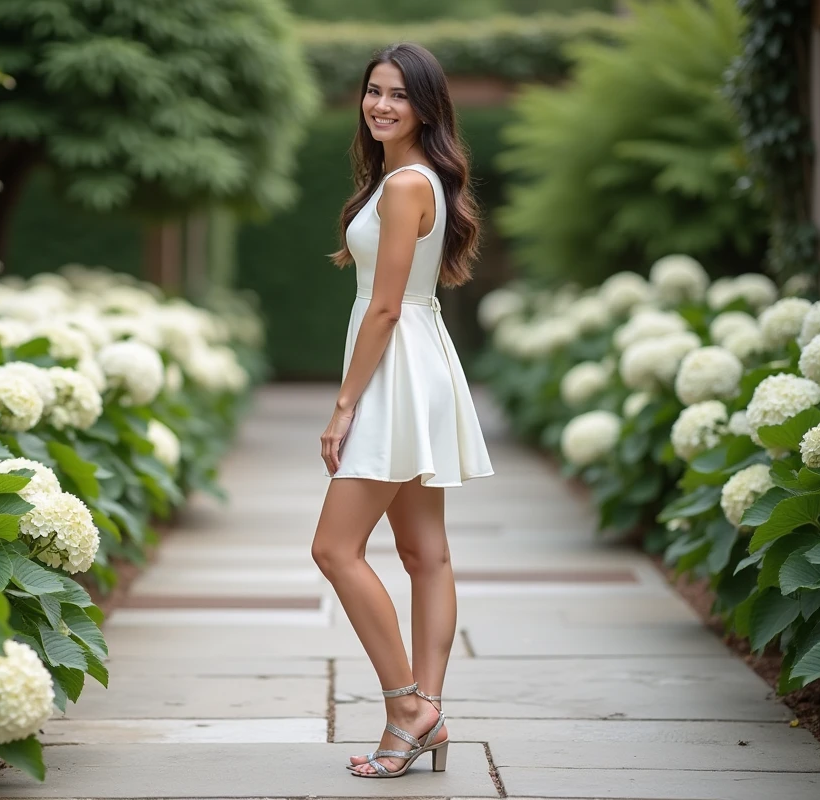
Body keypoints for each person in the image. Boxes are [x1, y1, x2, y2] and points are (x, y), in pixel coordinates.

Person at [310, 42, 495, 779]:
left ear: (426, 107)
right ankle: (427, 713)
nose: (381, 105)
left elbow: (384, 307)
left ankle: (406, 706)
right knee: (425, 553)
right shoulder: (410, 179)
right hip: (418, 359)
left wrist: (343, 405)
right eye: (373, 90)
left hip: (397, 367)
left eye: (399, 94)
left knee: (334, 549)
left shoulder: (404, 185)